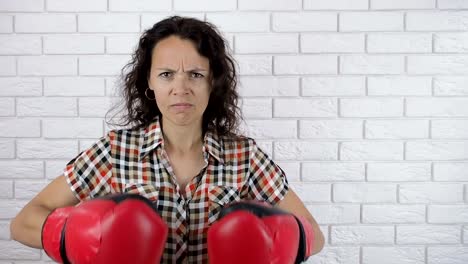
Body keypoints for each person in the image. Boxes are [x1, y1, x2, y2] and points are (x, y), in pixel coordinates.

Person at [10, 16, 325, 263]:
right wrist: (73, 235)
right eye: (166, 74)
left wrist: (279, 237)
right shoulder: (114, 152)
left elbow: (314, 233)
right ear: (148, 80)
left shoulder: (245, 156)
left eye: (195, 75)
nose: (181, 88)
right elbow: (23, 221)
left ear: (212, 82)